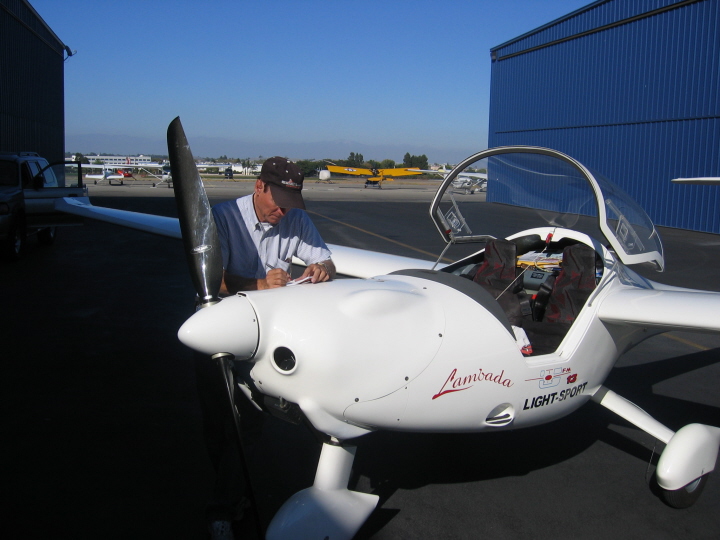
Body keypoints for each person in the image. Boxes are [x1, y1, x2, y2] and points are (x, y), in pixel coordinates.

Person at [197, 157, 335, 539]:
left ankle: (221, 507)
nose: (282, 211)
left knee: (247, 422)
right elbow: (212, 280)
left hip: (263, 338)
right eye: (277, 201)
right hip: (219, 331)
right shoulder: (223, 217)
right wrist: (259, 284)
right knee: (217, 421)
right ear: (259, 187)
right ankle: (229, 487)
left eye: (290, 204)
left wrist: (322, 270)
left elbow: (325, 260)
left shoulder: (295, 219)